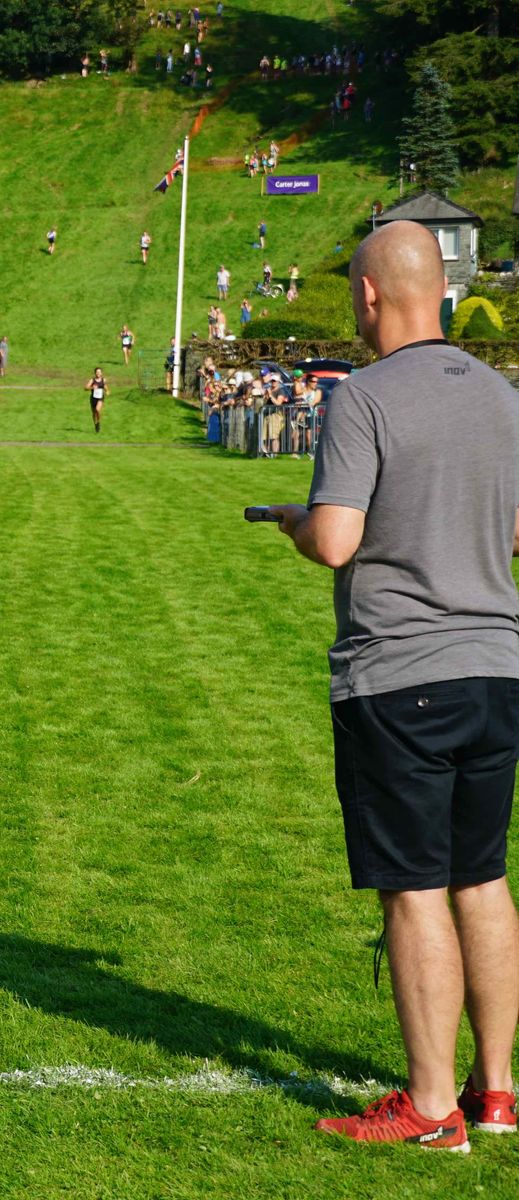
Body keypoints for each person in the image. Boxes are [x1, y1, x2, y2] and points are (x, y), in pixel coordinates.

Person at [264, 222, 519, 1153]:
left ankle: (429, 1107)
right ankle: (496, 1095)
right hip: (497, 668)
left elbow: (336, 539)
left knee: (414, 891)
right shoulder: (500, 394)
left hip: (400, 674)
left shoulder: (362, 397)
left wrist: (295, 520)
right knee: (482, 880)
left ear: (369, 296)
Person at [86, 366, 108, 433]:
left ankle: (98, 422)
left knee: (97, 410)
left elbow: (105, 387)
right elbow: (86, 388)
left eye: (99, 372)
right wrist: (92, 387)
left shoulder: (103, 380)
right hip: (93, 398)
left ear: (101, 373)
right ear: (95, 373)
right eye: (97, 372)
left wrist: (107, 391)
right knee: (93, 413)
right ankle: (95, 424)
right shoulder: (92, 380)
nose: (98, 373)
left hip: (100, 398)